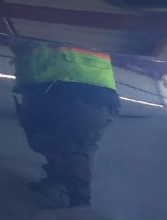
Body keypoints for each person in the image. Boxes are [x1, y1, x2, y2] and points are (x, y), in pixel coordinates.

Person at [13, 41, 119, 208]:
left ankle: (78, 204)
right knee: (60, 141)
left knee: (74, 147)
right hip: (92, 89)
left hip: (70, 88)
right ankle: (64, 187)